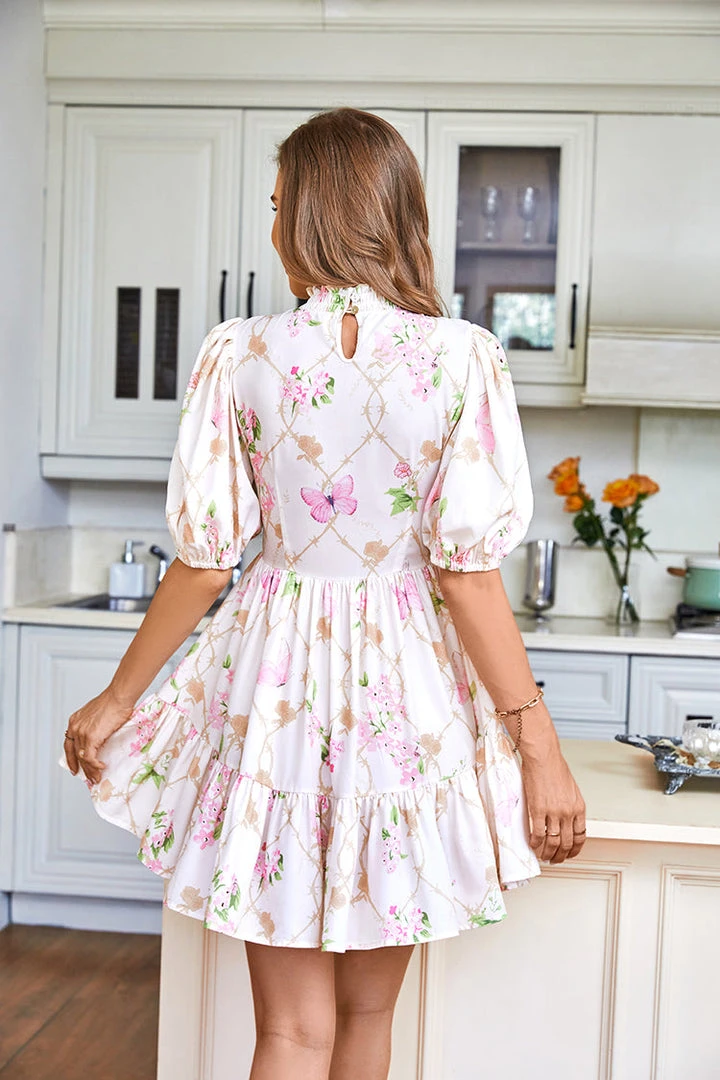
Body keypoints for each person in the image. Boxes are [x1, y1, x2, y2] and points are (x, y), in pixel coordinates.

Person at [62, 108, 586, 1080]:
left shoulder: (240, 354)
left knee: (289, 1034)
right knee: (368, 1019)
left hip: (273, 695)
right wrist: (539, 748)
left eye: (278, 207)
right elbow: (469, 576)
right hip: (409, 701)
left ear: (310, 214)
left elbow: (206, 562)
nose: (273, 229)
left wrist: (118, 697)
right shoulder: (462, 356)